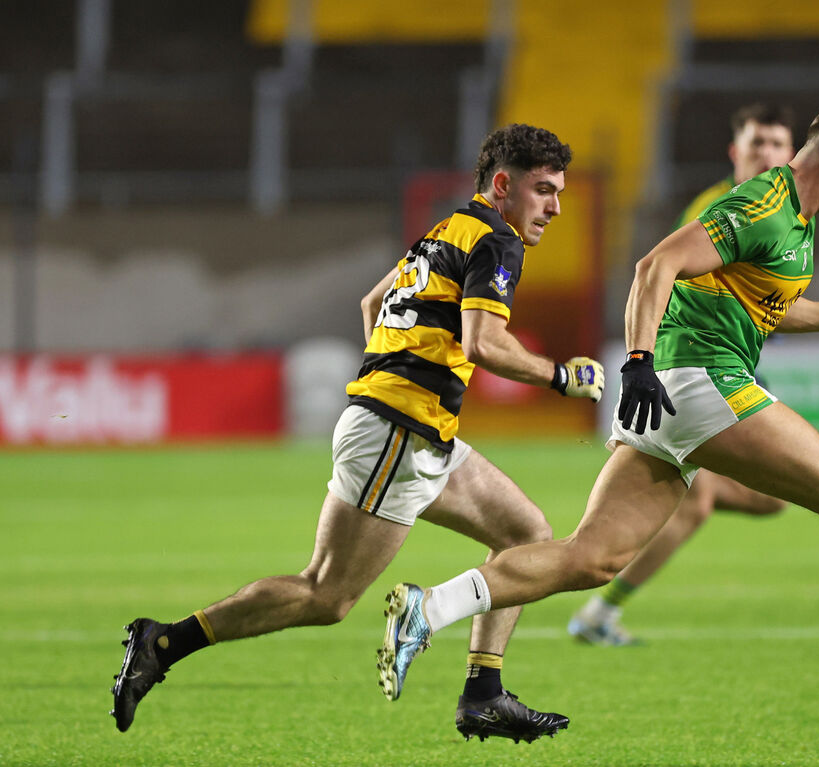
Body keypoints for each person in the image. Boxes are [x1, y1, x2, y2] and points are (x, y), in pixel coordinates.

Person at [376, 97, 819, 708]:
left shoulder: (797, 220)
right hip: (701, 382)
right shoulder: (763, 203)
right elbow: (656, 265)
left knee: (591, 558)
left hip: (676, 395)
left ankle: (427, 610)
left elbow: (769, 307)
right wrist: (637, 361)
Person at [109, 124, 605, 744]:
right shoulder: (497, 240)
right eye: (544, 190)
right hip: (397, 432)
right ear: (503, 185)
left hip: (412, 430)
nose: (555, 207)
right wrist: (561, 376)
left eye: (558, 193)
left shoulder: (446, 230)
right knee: (326, 596)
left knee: (525, 533)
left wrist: (394, 376)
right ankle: (163, 643)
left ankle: (484, 694)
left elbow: (374, 304)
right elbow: (485, 343)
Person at [568, 103, 794, 645]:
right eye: (756, 143)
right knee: (692, 506)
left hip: (724, 371)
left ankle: (600, 605)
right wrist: (646, 361)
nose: (766, 154)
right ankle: (596, 613)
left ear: (792, 155)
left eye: (776, 144)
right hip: (689, 375)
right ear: (735, 152)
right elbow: (659, 277)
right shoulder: (717, 209)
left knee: (771, 497)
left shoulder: (781, 212)